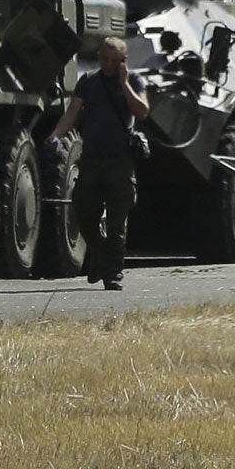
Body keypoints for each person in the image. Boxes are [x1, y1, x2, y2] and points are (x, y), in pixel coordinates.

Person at [49, 36, 149, 289]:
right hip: (92, 159)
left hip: (121, 161)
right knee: (83, 212)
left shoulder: (134, 81)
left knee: (117, 222)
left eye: (115, 61)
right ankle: (102, 259)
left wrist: (124, 83)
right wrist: (55, 135)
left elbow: (142, 111)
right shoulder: (89, 82)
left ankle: (112, 273)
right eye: (105, 59)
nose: (108, 65)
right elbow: (72, 112)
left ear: (124, 62)